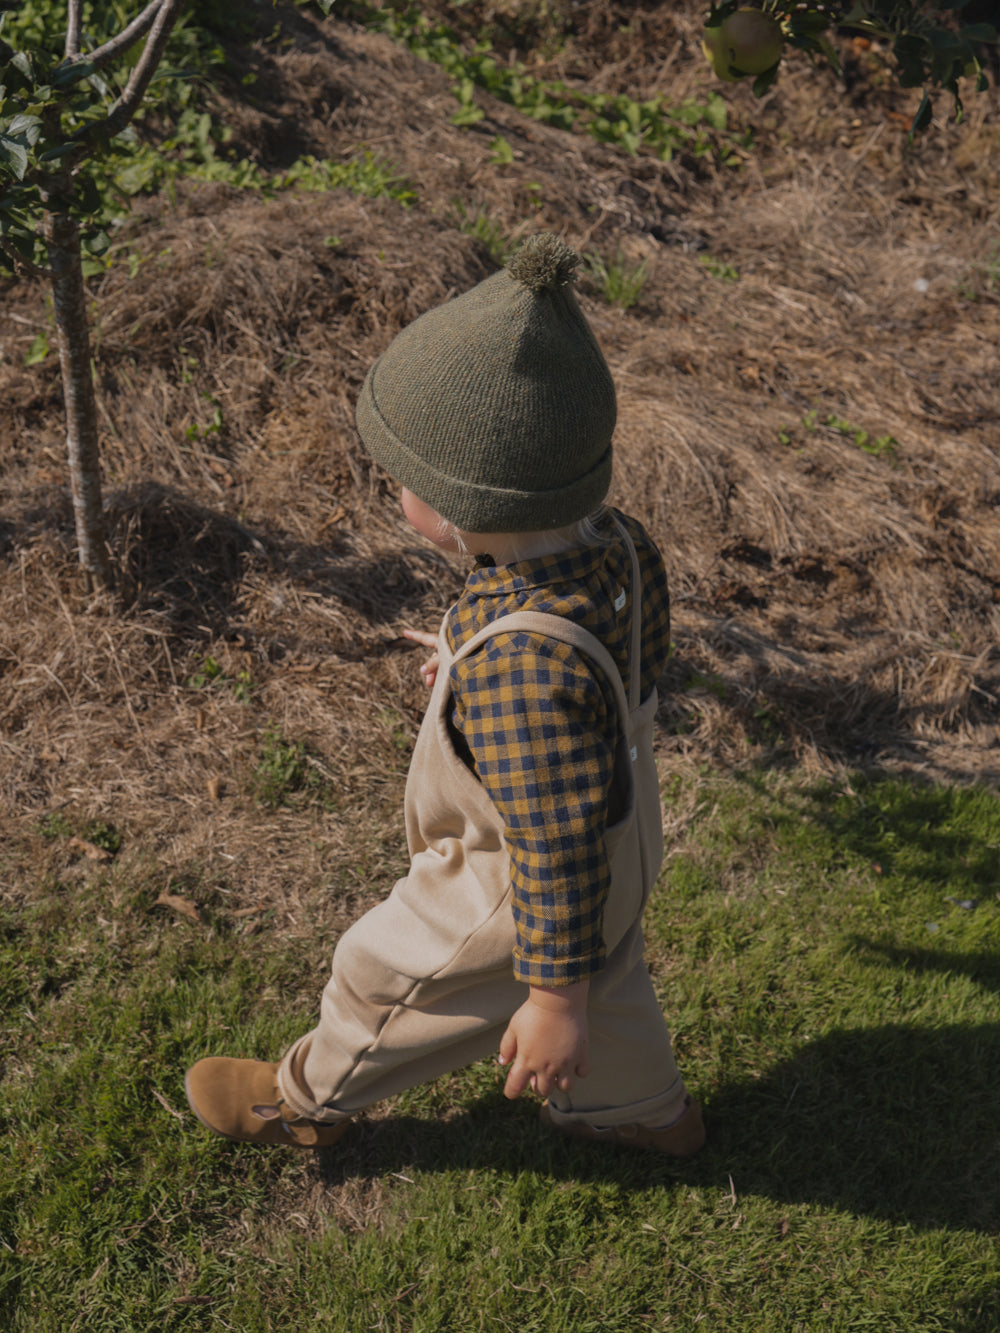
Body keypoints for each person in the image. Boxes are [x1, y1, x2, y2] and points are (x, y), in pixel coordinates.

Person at [184, 233, 705, 1157]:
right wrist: (466, 659)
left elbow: (551, 841)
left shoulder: (523, 670)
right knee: (609, 968)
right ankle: (646, 1112)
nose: (397, 491)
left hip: (510, 885)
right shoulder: (613, 544)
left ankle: (304, 1100)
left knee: (385, 975)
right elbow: (611, 668)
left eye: (406, 481)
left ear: (464, 511)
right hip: (626, 840)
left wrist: (550, 1000)